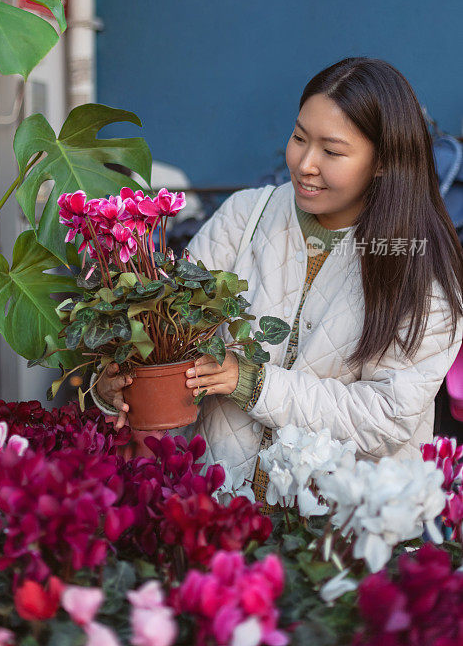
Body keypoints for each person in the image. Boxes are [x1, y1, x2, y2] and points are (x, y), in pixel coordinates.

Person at [92, 57, 463, 506]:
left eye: (332, 151)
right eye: (299, 138)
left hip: (343, 534)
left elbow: (387, 416)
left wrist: (253, 383)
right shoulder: (244, 218)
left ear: (383, 162)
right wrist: (116, 389)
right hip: (218, 516)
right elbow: (169, 345)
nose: (305, 163)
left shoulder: (415, 265)